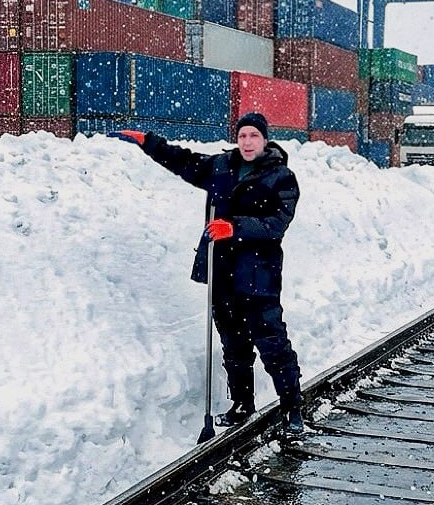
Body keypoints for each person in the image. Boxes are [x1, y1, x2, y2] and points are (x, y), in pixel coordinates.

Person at [110, 112, 305, 434]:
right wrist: (150, 143)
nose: (246, 142)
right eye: (242, 136)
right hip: (223, 271)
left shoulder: (282, 177)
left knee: (272, 343)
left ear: (265, 139)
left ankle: (292, 406)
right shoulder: (220, 167)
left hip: (259, 276)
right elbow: (184, 162)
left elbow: (276, 224)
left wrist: (235, 227)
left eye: (253, 136)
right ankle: (242, 404)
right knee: (234, 344)